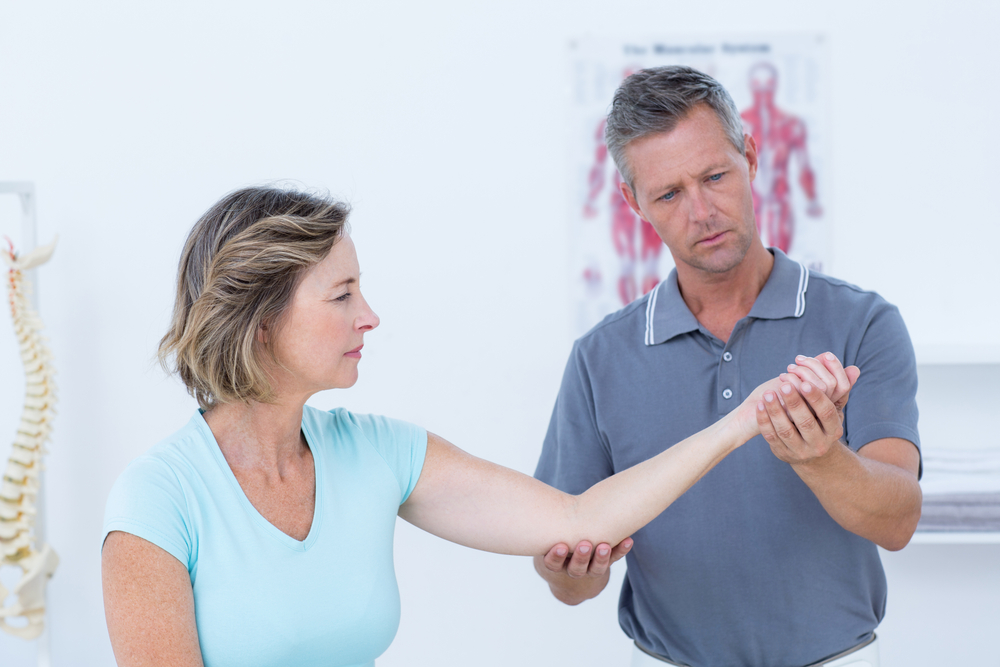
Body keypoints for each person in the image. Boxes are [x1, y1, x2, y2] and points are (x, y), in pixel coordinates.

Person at [101, 187, 850, 667]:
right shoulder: (159, 501)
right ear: (262, 323)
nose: (370, 316)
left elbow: (578, 514)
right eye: (342, 295)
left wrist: (747, 417)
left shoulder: (377, 452)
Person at [533, 66, 921, 667]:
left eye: (715, 176)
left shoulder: (862, 323)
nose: (702, 211)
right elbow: (565, 575)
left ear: (750, 157)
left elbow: (898, 522)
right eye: (669, 193)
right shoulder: (599, 358)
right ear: (634, 202)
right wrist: (575, 572)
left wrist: (821, 458)